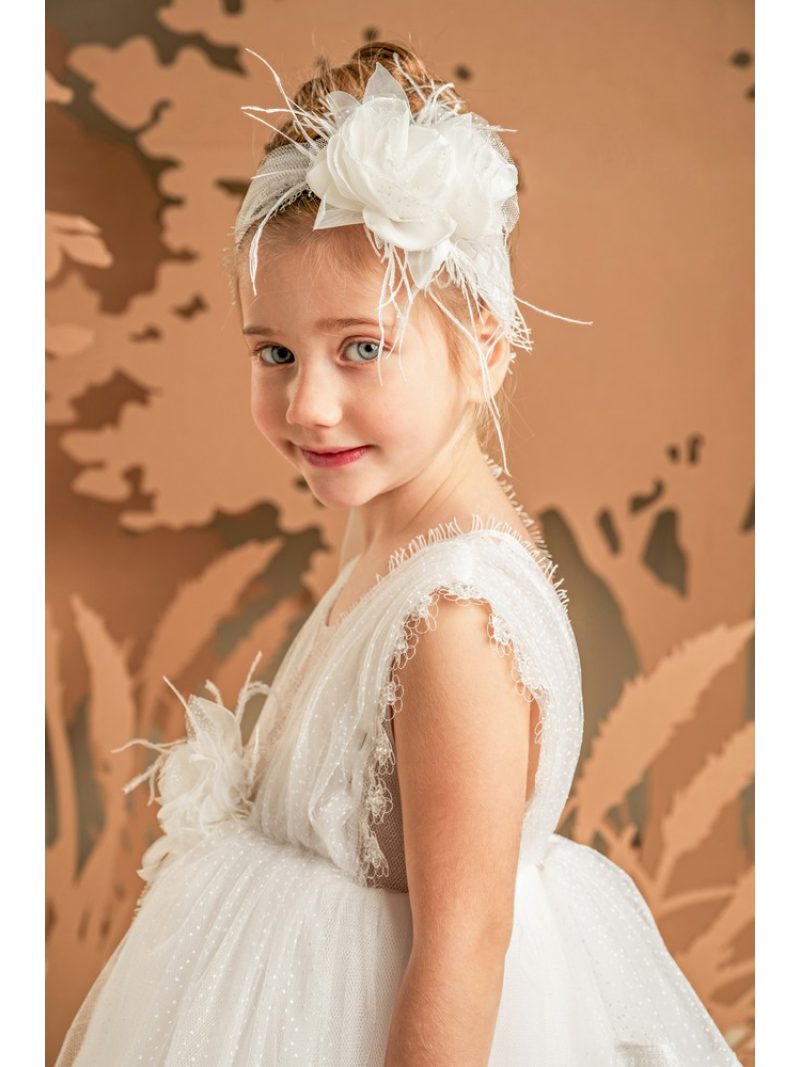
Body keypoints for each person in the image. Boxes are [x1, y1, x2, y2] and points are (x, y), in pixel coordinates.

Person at [55, 40, 741, 1067]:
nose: (307, 404)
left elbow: (462, 949)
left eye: (362, 347)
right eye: (274, 351)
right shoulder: (391, 524)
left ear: (485, 349)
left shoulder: (457, 618)